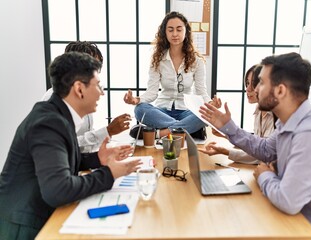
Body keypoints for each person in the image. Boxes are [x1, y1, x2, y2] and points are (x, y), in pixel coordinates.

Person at [199, 52, 311, 239]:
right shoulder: (288, 121)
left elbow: (288, 201)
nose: (256, 90)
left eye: (262, 83)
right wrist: (228, 126)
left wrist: (265, 176)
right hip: (296, 223)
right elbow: (264, 150)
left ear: (280, 91)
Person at [0, 52, 142, 240]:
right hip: (23, 226)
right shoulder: (49, 122)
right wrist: (110, 174)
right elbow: (58, 190)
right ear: (79, 89)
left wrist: (97, 159)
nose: (102, 92)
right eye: (98, 85)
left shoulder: (57, 115)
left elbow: (59, 162)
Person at [123, 11, 221, 140]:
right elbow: (152, 93)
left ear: (186, 32)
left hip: (187, 111)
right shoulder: (157, 59)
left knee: (207, 114)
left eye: (179, 30)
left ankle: (160, 133)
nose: (175, 34)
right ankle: (187, 130)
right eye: (170, 30)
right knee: (140, 110)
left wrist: (210, 104)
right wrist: (136, 100)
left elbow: (201, 91)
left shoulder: (197, 61)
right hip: (162, 111)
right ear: (165, 33)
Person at [42, 41, 132, 153]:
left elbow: (85, 137)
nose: (96, 74)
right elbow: (65, 146)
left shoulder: (83, 93)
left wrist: (107, 140)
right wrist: (108, 131)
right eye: (92, 68)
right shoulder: (53, 102)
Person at [199, 64, 276, 164]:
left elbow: (263, 155)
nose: (248, 89)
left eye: (253, 84)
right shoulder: (258, 111)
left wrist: (225, 151)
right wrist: (226, 135)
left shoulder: (276, 117)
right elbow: (255, 147)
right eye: (247, 83)